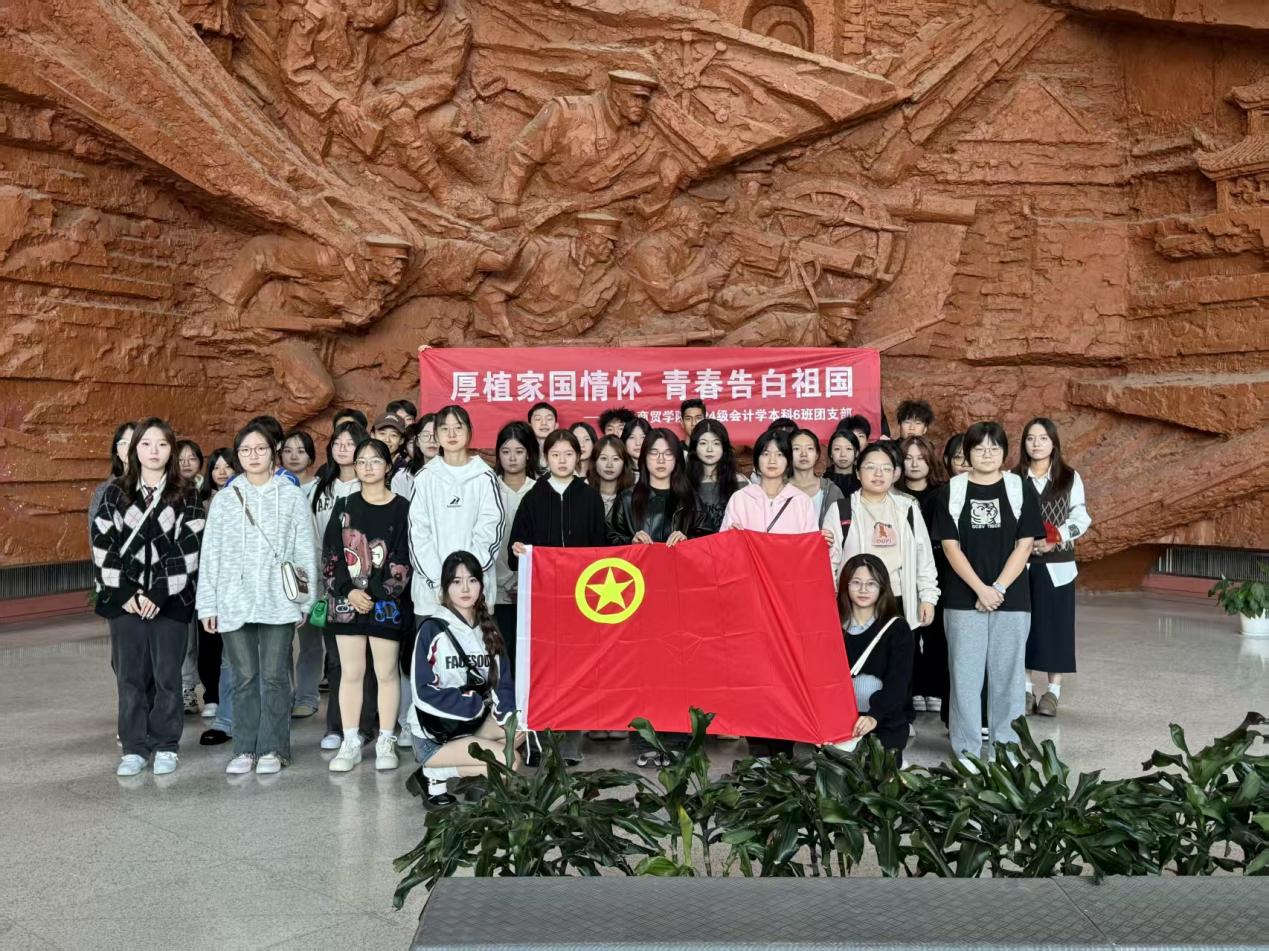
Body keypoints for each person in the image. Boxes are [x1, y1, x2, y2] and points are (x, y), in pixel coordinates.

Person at [197, 420, 317, 775]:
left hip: (278, 599)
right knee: (244, 676)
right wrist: (208, 603)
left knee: (275, 676)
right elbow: (211, 554)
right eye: (246, 450)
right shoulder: (225, 499)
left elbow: (304, 550)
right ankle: (244, 748)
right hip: (233, 599)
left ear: (273, 452)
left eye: (260, 449)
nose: (253, 456)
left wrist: (305, 600)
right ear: (238, 455)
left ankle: (274, 748)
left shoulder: (291, 496)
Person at [91, 417, 206, 776]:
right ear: (134, 449)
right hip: (124, 601)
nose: (154, 451)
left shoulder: (187, 493)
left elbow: (189, 546)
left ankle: (167, 744)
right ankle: (134, 747)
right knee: (131, 677)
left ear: (172, 449)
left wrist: (158, 592)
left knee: (167, 675)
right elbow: (102, 543)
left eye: (162, 444)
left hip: (170, 600)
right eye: (146, 444)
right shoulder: (115, 493)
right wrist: (125, 592)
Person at [934, 421, 1044, 764]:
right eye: (978, 448)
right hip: (962, 597)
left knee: (1008, 676)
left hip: (1011, 597)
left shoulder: (1019, 488)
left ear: (1004, 452)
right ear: (967, 454)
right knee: (965, 677)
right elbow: (950, 547)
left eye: (994, 448)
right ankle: (966, 750)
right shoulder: (951, 491)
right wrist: (980, 589)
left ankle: (1006, 749)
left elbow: (1025, 545)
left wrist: (997, 588)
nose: (986, 454)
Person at [509, 429, 610, 764]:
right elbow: (514, 552)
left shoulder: (590, 497)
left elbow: (601, 550)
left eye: (568, 454)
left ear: (578, 457)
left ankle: (569, 747)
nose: (562, 460)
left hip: (582, 602)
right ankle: (538, 743)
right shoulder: (533, 498)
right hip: (542, 602)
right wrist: (520, 550)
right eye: (555, 455)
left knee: (577, 672)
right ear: (545, 458)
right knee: (542, 672)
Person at [322, 438, 413, 772]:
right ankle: (351, 741)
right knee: (351, 672)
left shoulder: (402, 508)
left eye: (376, 460)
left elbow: (404, 557)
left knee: (386, 672)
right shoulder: (344, 506)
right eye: (362, 461)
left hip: (387, 602)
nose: (368, 467)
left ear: (388, 466)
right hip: (347, 604)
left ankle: (387, 738)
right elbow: (331, 555)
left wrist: (373, 593)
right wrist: (349, 592)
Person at [408, 551, 521, 807]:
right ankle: (432, 773)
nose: (465, 589)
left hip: (471, 725)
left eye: (472, 580)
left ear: (481, 584)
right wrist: (473, 703)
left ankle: (476, 778)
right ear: (445, 587)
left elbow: (503, 684)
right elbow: (423, 692)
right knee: (511, 761)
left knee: (521, 725)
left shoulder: (488, 629)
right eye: (456, 582)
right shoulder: (431, 629)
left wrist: (506, 714)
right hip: (435, 735)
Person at [308, 421, 378, 749]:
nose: (342, 448)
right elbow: (314, 539)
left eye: (350, 443)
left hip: (368, 588)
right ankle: (336, 727)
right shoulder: (320, 487)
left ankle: (366, 725)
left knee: (368, 661)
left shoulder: (371, 487)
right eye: (337, 442)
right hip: (332, 585)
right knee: (337, 660)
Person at [1016, 418, 1090, 718]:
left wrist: (1054, 537)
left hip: (1058, 567)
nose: (1036, 444)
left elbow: (1081, 518)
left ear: (1054, 443)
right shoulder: (1013, 478)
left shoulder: (1069, 477)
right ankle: (1024, 689)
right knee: (1023, 626)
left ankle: (1053, 692)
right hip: (1020, 566)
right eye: (1030, 438)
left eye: (1043, 438)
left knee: (1056, 627)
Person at [409, 404, 504, 619]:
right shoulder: (425, 477)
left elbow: (490, 532)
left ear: (469, 432)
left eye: (458, 428)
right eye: (444, 429)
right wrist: (440, 583)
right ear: (436, 435)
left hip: (475, 596)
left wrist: (465, 582)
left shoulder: (485, 477)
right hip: (432, 597)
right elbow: (418, 535)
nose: (451, 434)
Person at [842, 442, 938, 644]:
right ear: (858, 472)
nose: (879, 474)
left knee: (899, 659)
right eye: (870, 467)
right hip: (856, 600)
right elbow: (830, 561)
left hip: (899, 598)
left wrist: (928, 597)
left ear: (895, 474)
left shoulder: (908, 508)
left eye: (886, 468)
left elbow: (924, 558)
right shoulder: (842, 510)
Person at [721, 430, 840, 582]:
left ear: (788, 461)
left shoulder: (801, 501)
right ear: (756, 460)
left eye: (779, 454)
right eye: (765, 454)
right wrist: (729, 538)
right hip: (748, 582)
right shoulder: (740, 498)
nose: (772, 460)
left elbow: (810, 554)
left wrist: (824, 544)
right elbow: (723, 552)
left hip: (788, 584)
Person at [838, 553, 914, 764]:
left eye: (871, 583)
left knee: (877, 772)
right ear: (845, 585)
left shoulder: (897, 628)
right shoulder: (831, 627)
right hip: (841, 722)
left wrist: (874, 716)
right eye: (856, 582)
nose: (863, 589)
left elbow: (898, 683)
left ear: (882, 587)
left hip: (883, 721)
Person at [899, 435, 949, 714]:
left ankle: (935, 688)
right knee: (908, 632)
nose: (915, 464)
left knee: (936, 633)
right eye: (908, 458)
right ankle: (915, 687)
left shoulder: (942, 494)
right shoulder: (893, 495)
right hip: (903, 570)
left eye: (920, 458)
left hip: (937, 569)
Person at [492, 421, 538, 664]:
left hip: (530, 588)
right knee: (501, 652)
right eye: (506, 451)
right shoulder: (488, 487)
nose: (512, 458)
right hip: (495, 587)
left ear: (529, 454)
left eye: (519, 451)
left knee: (529, 655)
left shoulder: (540, 490)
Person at [197, 447, 235, 744]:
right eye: (216, 467)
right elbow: (208, 555)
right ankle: (225, 717)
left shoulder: (281, 493)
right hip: (222, 587)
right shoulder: (210, 501)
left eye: (227, 466)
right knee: (225, 657)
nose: (222, 472)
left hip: (257, 591)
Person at [176, 437, 207, 715]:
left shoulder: (210, 491)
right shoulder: (170, 492)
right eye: (181, 458)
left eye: (192, 458)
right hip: (181, 576)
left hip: (207, 574)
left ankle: (210, 690)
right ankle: (186, 688)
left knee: (207, 637)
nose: (186, 463)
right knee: (185, 636)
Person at [685, 419, 744, 538]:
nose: (709, 449)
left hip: (729, 544)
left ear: (724, 447)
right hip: (694, 546)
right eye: (703, 443)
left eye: (716, 443)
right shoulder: (683, 482)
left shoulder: (740, 482)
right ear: (694, 447)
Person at [790, 428, 846, 532]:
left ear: (817, 455)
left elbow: (845, 528)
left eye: (809, 448)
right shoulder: (780, 490)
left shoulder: (833, 491)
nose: (803, 454)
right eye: (796, 449)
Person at [89, 422, 134, 539]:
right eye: (123, 443)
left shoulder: (155, 487)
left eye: (134, 442)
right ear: (116, 451)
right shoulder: (103, 490)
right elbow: (96, 538)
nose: (129, 448)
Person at [586, 434, 635, 520]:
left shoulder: (632, 497)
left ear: (624, 463)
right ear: (594, 461)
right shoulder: (583, 494)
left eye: (615, 459)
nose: (609, 465)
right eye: (604, 458)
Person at [391, 412, 438, 499]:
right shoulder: (402, 478)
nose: (432, 440)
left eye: (437, 435)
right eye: (425, 435)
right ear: (417, 442)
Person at [826, 429, 861, 499]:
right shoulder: (822, 481)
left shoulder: (863, 479)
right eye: (837, 449)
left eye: (848, 449)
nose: (843, 454)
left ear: (856, 453)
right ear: (830, 453)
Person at [527, 401, 558, 476]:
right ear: (529, 425)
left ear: (556, 425)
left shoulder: (564, 451)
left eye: (549, 419)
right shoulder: (524, 451)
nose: (544, 423)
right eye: (538, 419)